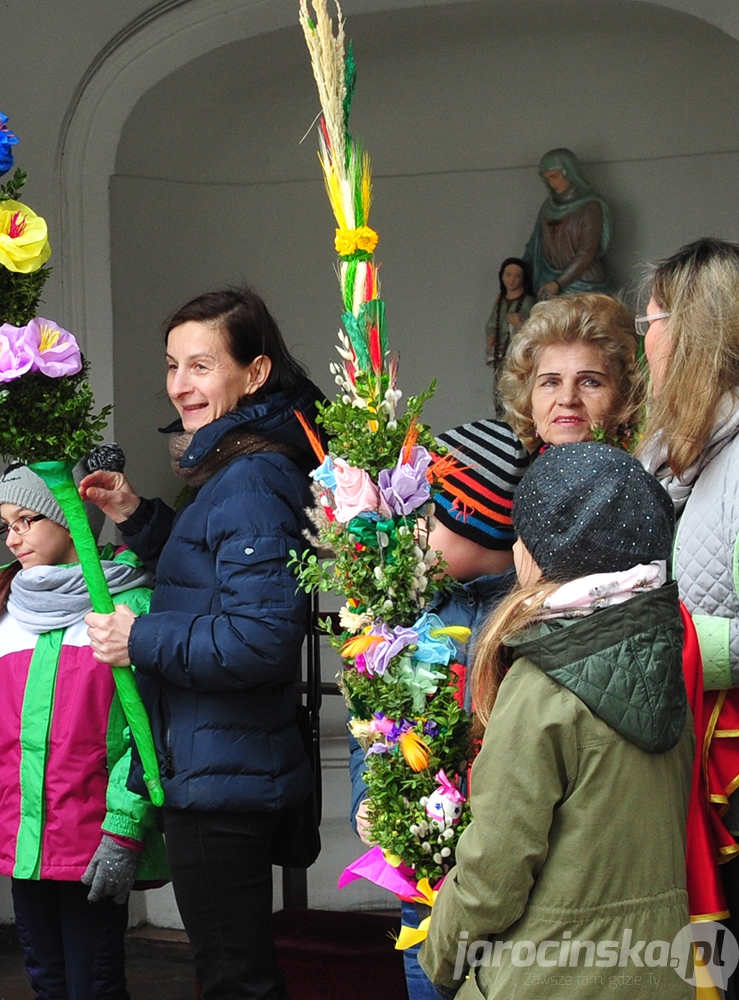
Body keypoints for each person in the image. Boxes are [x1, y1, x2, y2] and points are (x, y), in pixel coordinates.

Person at [79, 288, 321, 999]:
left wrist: (140, 637)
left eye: (201, 366)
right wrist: (136, 515)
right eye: (173, 366)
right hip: (219, 759)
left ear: (253, 374)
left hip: (223, 773)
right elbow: (213, 576)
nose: (181, 385)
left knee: (234, 978)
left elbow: (260, 637)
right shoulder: (239, 464)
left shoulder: (250, 476)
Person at [421, 443, 691, 999]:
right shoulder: (663, 659)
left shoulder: (544, 686)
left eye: (524, 531)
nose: (515, 544)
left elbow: (493, 876)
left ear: (548, 553)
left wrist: (441, 958)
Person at [0, 457, 167, 1000]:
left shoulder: (127, 607)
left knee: (94, 984)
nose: (13, 538)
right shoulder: (8, 616)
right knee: (46, 979)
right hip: (26, 841)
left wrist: (123, 830)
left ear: (71, 518)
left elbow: (143, 733)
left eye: (28, 520)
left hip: (93, 838)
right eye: (7, 525)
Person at [346, 419, 527, 1000]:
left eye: (426, 517)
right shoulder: (410, 610)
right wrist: (367, 797)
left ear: (471, 521)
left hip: (498, 883)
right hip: (416, 882)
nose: (414, 533)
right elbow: (374, 724)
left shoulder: (523, 623)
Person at [637, 236, 739, 935]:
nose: (644, 344)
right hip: (685, 756)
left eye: (650, 323)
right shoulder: (670, 452)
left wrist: (676, 639)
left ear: (689, 333)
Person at [497, 292, 641, 451]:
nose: (567, 399)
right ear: (529, 405)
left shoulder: (647, 474)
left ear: (626, 401)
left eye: (590, 382)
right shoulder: (507, 474)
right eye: (551, 383)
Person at [522, 148, 612, 300]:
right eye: (547, 179)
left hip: (584, 284)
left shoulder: (590, 207)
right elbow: (533, 247)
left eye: (554, 176)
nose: (552, 183)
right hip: (548, 282)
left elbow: (586, 252)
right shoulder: (548, 207)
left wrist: (558, 283)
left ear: (569, 172)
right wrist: (518, 276)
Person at [485, 258, 536, 413]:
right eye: (508, 275)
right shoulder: (500, 299)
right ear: (502, 276)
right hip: (500, 352)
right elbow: (492, 321)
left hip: (517, 353)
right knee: (499, 387)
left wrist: (519, 324)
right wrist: (492, 334)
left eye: (517, 276)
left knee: (516, 389)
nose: (512, 280)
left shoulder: (528, 302)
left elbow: (533, 328)